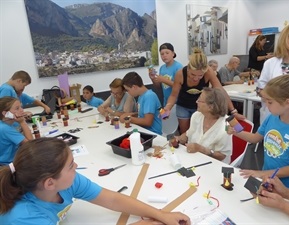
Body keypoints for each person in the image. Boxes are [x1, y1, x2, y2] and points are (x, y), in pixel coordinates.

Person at [0, 138, 190, 225]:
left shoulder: (66, 182)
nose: (76, 167)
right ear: (50, 183)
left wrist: (161, 214)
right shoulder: (23, 218)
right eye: (70, 165)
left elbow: (112, 199)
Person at [227, 75, 289, 189]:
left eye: (270, 102)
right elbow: (255, 138)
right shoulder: (272, 118)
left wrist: (261, 174)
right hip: (268, 178)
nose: (266, 106)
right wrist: (236, 132)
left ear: (287, 103)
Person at [164, 48, 245, 135]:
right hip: (184, 106)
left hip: (200, 108)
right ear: (188, 69)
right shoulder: (180, 74)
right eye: (192, 74)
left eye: (200, 75)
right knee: (187, 134)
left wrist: (233, 111)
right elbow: (173, 95)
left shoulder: (208, 72)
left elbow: (221, 91)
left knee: (200, 132)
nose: (196, 78)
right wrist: (167, 108)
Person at [176, 87, 232, 164]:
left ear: (210, 107)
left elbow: (222, 156)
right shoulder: (197, 115)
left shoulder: (226, 126)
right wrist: (178, 140)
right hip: (192, 160)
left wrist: (202, 149)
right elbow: (188, 134)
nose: (196, 101)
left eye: (199, 100)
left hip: (214, 166)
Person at [257, 22, 289, 123]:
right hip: (273, 116)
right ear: (284, 38)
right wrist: (275, 100)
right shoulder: (270, 63)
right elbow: (260, 89)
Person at [0, 97, 33, 165]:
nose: (22, 110)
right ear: (5, 113)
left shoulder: (8, 123)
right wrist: (22, 122)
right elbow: (30, 144)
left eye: (21, 107)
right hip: (8, 165)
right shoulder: (5, 128)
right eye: (17, 108)